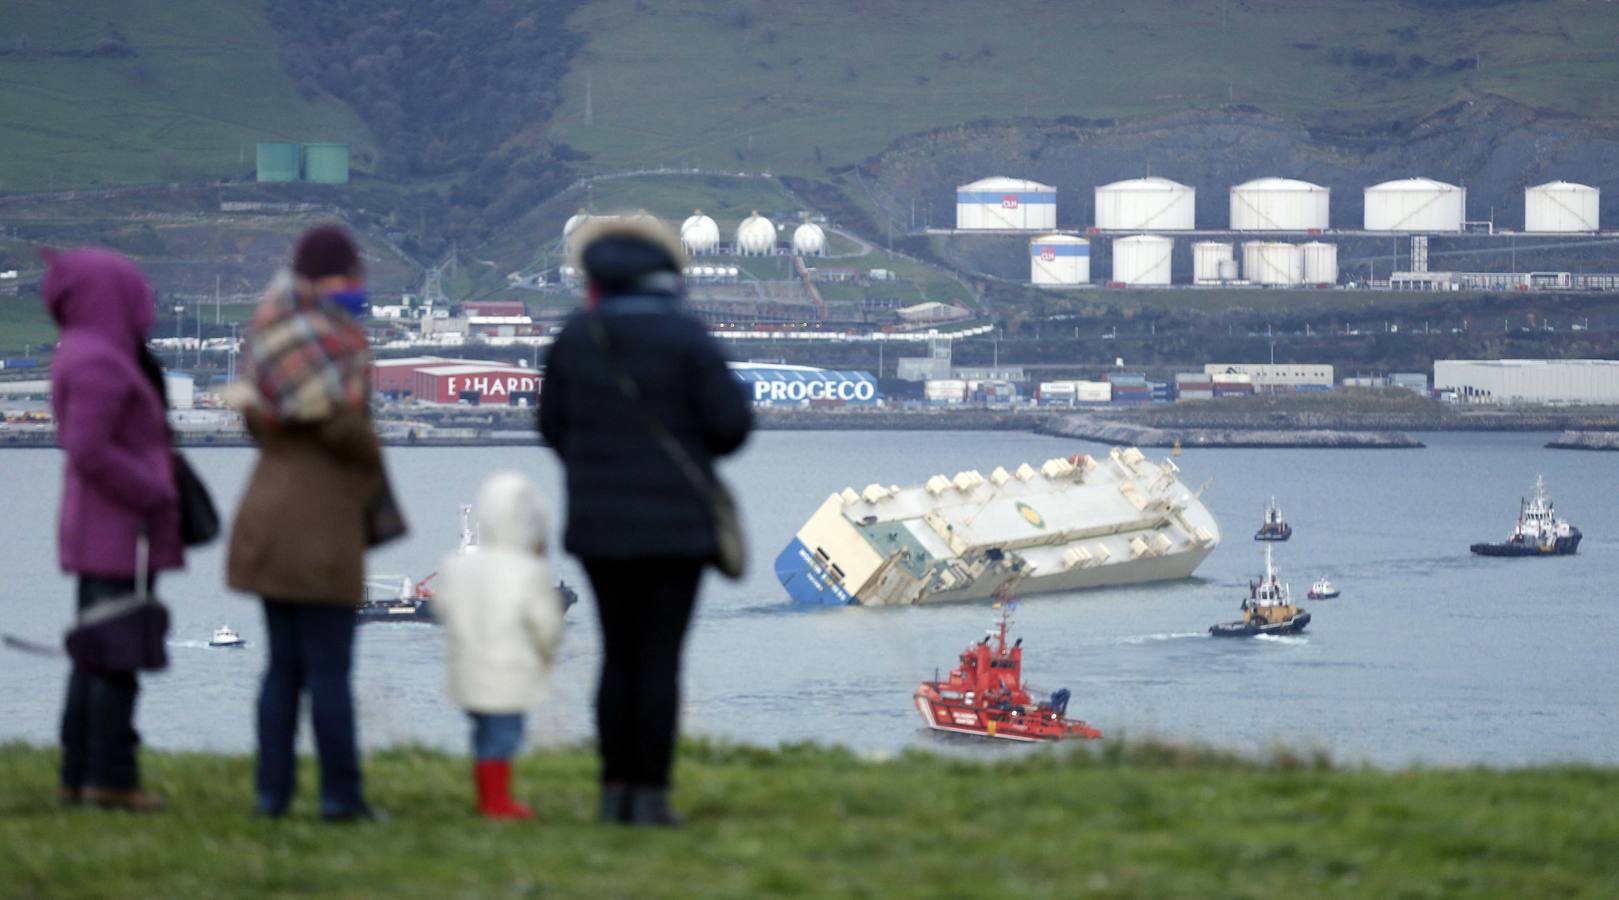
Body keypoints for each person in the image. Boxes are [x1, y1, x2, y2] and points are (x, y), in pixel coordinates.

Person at [539, 217, 753, 826]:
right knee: (659, 660)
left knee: (617, 656)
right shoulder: (687, 337)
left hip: (599, 529)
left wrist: (597, 467)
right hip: (677, 530)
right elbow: (732, 426)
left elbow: (551, 428)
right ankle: (651, 796)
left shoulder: (577, 336)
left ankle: (613, 791)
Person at [225, 224, 385, 822]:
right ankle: (341, 795)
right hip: (323, 526)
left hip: (266, 516)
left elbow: (254, 427)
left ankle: (272, 794)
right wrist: (371, 450)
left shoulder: (265, 335)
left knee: (281, 668)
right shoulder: (340, 343)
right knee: (330, 671)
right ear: (335, 279)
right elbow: (347, 429)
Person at [44, 248, 183, 812]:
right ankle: (110, 777)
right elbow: (90, 446)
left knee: (94, 653)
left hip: (95, 526)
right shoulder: (101, 360)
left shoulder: (83, 350)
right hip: (113, 530)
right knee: (115, 654)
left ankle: (80, 773)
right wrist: (152, 488)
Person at [432, 471, 565, 820]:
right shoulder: (528, 571)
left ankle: (486, 793)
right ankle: (496, 801)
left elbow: (441, 606)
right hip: (509, 673)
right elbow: (546, 625)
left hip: (467, 670)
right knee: (504, 737)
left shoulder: (456, 565)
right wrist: (548, 650)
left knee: (482, 734)